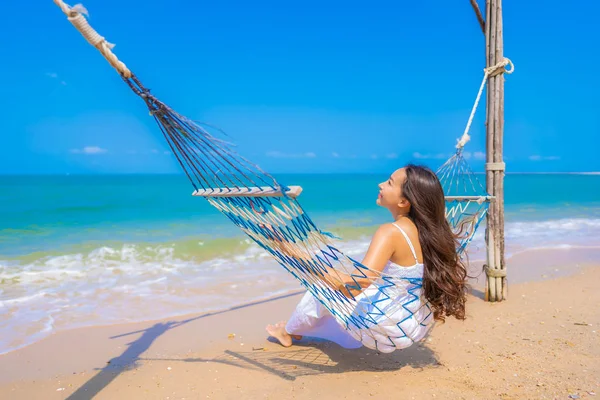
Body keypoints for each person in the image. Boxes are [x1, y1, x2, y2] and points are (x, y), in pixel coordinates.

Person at [265, 164, 468, 350]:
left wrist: (290, 250)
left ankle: (288, 331)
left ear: (404, 201)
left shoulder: (390, 232)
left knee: (321, 290)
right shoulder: (428, 233)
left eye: (389, 182)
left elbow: (353, 287)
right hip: (411, 322)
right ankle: (297, 329)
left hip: (386, 330)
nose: (380, 184)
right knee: (345, 283)